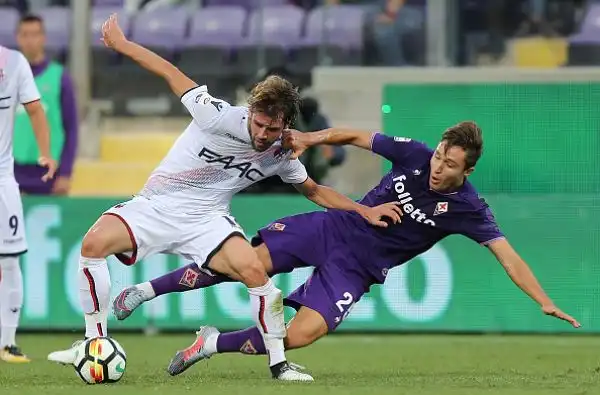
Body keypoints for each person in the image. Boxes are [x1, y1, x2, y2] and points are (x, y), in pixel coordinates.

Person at [46, 14, 401, 381]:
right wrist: (123, 45)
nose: (263, 134)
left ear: (286, 126)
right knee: (92, 245)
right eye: (259, 124)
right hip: (156, 205)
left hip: (207, 219)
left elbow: (314, 190)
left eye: (273, 128)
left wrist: (363, 210)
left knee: (256, 273)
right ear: (250, 113)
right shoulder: (216, 115)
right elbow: (171, 73)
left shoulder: (281, 152)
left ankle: (279, 365)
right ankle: (94, 341)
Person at [113, 121, 580, 378]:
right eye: (439, 156)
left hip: (357, 269)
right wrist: (313, 138)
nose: (438, 167)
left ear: (467, 172)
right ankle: (145, 292)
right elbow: (358, 137)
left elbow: (507, 255)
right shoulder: (415, 154)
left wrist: (542, 300)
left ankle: (210, 343)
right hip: (333, 227)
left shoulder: (468, 209)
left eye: (450, 164)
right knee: (244, 264)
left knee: (299, 336)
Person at [0, 44, 57, 362]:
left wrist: (46, 152)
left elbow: (36, 109)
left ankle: (7, 343)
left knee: (9, 261)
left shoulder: (13, 62)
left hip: (3, 181)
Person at [14, 14, 78, 195]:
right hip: (13, 171)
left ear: (44, 37)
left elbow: (71, 128)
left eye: (35, 34)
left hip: (49, 173)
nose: (30, 40)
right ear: (18, 38)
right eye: (25, 34)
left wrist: (66, 172)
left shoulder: (60, 77)